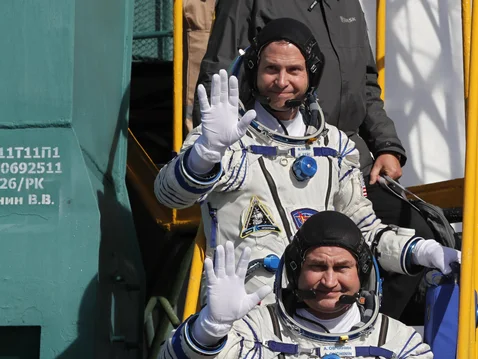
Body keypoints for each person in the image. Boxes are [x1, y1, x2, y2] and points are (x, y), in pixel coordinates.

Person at [154, 18, 460, 309]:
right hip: (244, 317)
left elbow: (363, 231)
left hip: (318, 316)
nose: (282, 81)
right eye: (271, 69)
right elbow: (171, 196)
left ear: (311, 74)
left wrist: (423, 250)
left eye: (294, 70)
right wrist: (205, 153)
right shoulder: (224, 137)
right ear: (253, 71)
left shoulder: (336, 147)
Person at [158, 210, 448, 359]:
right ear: (295, 272)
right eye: (318, 266)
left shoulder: (398, 345)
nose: (330, 281)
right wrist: (211, 327)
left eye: (342, 267)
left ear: (362, 274)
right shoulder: (259, 333)